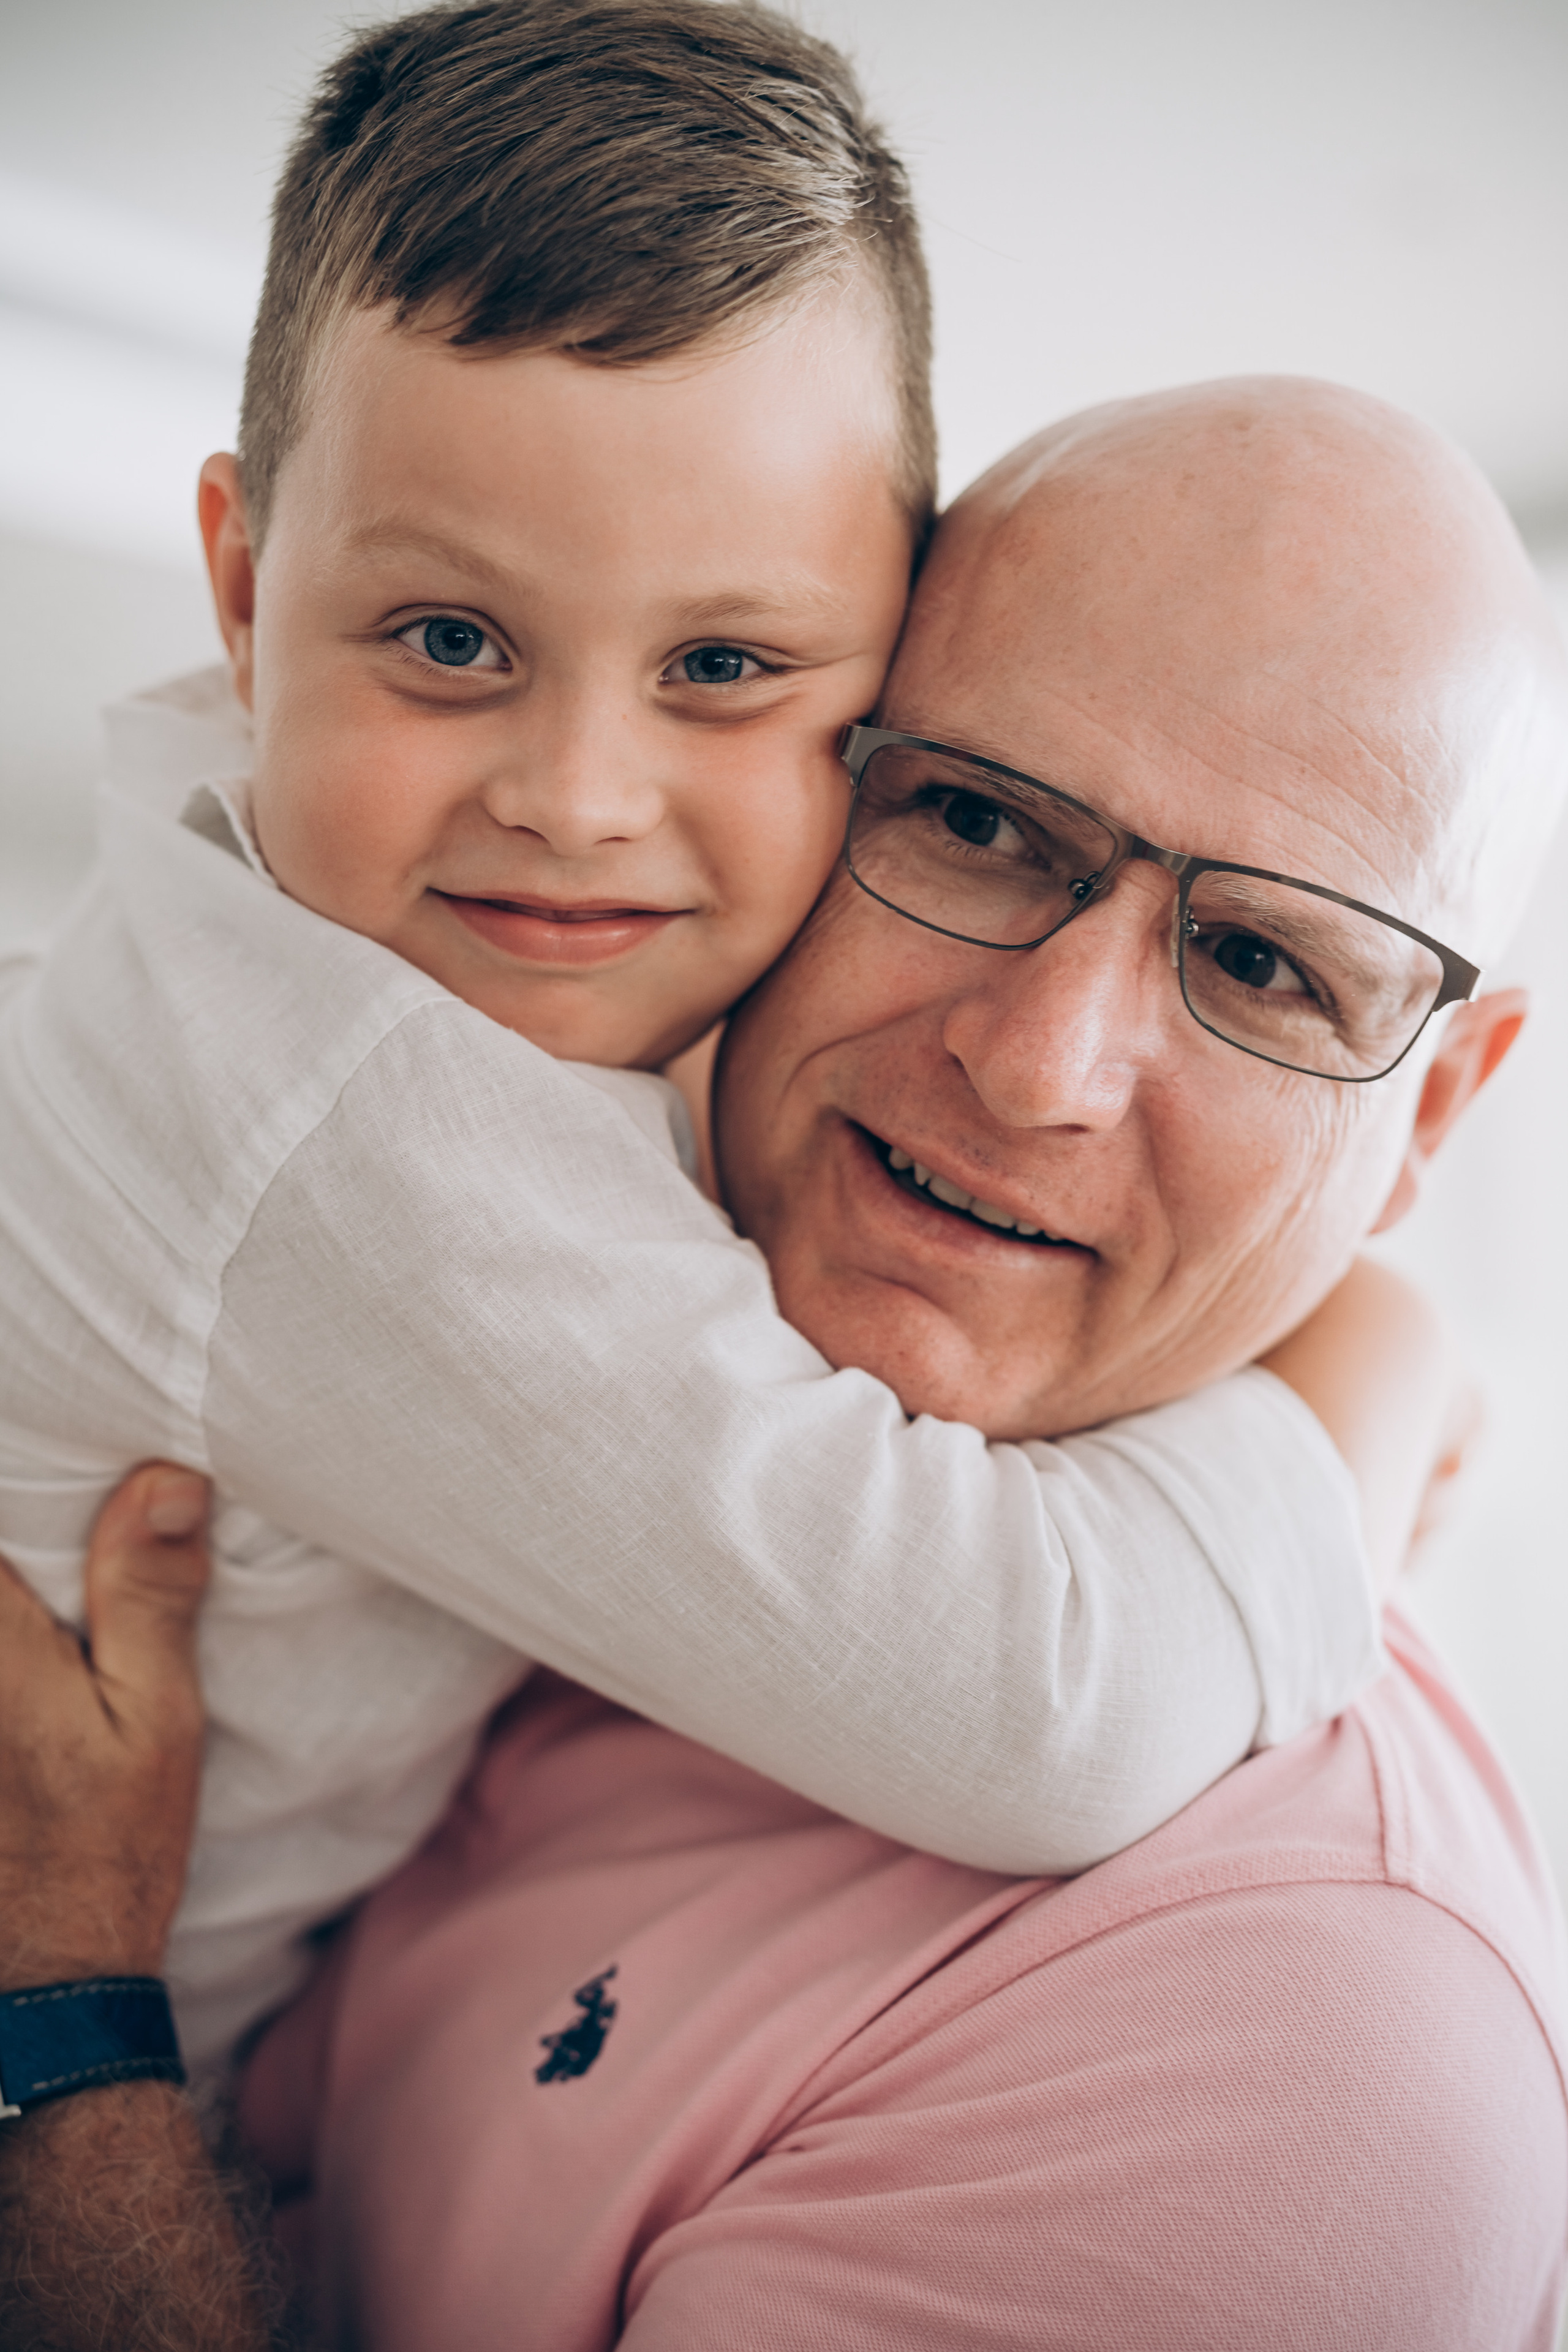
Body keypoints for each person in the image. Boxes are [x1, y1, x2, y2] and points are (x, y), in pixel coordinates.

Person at [2, 376, 1564, 2348]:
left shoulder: (1296, 2062)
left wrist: (55, 2003)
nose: (1038, 1063)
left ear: (1429, 1123)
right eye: (980, 822)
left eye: (1264, 965)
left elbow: (1035, 1701)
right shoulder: (600, 1263)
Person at [0, 0, 1393, 2086]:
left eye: (724, 666)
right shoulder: (332, 1123)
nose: (577, 793)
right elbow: (1040, 1715)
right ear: (241, 588)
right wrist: (1377, 1374)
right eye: (449, 642)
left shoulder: (326, 938)